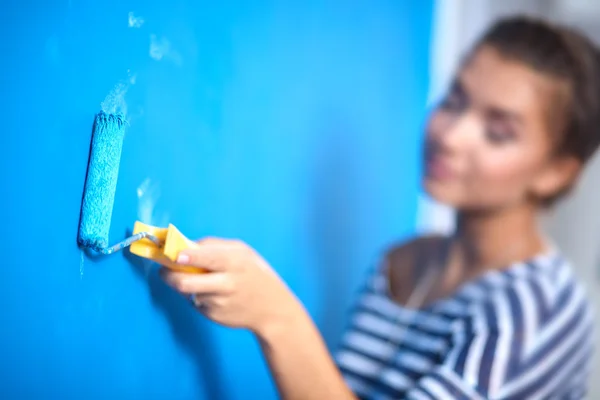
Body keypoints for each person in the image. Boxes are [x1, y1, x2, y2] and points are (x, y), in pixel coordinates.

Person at [161, 16, 600, 399]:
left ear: (558, 172)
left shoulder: (540, 311)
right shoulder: (401, 263)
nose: (450, 135)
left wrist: (277, 319)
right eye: (454, 101)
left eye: (498, 132)